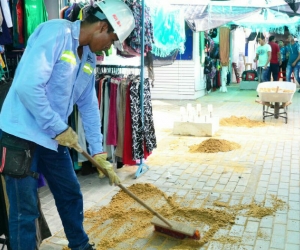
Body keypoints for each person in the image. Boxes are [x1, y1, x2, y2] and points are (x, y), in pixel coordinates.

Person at [0, 1, 135, 250]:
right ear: (102, 27)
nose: (109, 46)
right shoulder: (56, 33)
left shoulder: (90, 59)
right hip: (22, 134)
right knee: (25, 211)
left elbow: (89, 104)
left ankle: (80, 245)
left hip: (53, 137)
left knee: (70, 193)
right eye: (111, 39)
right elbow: (28, 87)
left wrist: (98, 152)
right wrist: (59, 128)